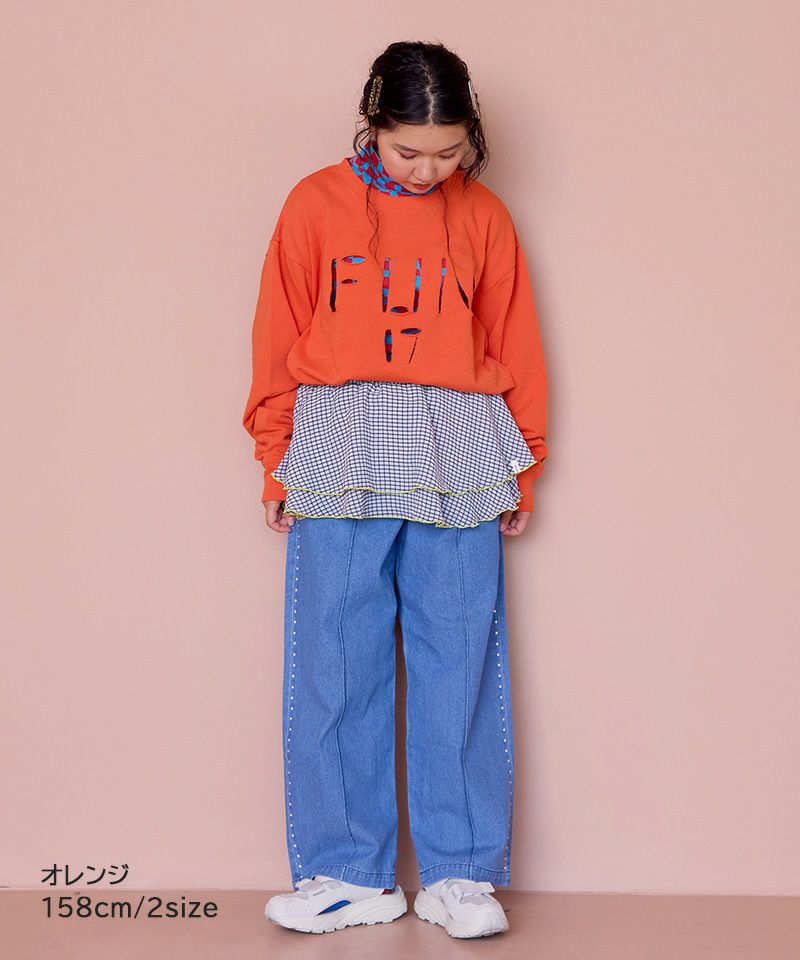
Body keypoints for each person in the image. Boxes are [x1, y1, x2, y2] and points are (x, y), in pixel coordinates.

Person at [242, 40, 549, 938]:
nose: (426, 170)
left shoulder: (484, 215)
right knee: (335, 661)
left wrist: (523, 462)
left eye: (448, 153)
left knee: (460, 658)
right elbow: (278, 331)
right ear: (371, 126)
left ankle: (461, 875)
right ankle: (346, 874)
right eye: (407, 150)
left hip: (459, 442)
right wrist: (275, 453)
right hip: (337, 434)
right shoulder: (314, 204)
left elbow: (515, 338)